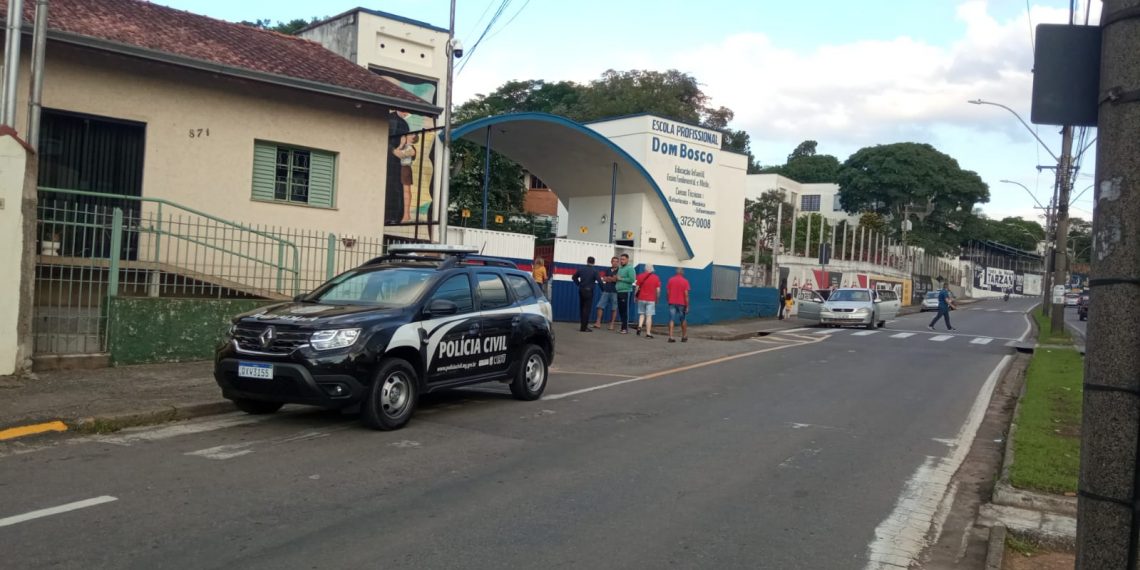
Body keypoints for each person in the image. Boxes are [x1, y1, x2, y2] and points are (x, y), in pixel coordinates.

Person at [571, 257, 602, 332]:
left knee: (582, 308)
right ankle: (584, 328)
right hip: (589, 291)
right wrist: (604, 290)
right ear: (594, 263)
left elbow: (574, 277)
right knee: (587, 310)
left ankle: (583, 326)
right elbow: (600, 281)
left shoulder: (581, 269)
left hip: (581, 290)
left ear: (587, 261)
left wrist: (579, 284)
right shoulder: (595, 271)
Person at [634, 263, 661, 339]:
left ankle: (639, 326)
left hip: (641, 298)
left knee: (642, 314)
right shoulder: (656, 278)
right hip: (651, 299)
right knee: (649, 316)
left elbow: (637, 288)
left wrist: (635, 297)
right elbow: (658, 290)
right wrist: (657, 299)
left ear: (645, 269)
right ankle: (648, 333)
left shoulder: (640, 276)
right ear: (652, 269)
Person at [594, 256, 620, 329]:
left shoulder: (620, 270)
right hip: (606, 290)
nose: (615, 263)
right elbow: (604, 279)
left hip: (615, 291)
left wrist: (610, 278)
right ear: (611, 262)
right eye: (613, 261)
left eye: (616, 261)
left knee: (614, 308)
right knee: (600, 306)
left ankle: (612, 324)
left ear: (618, 263)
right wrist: (611, 278)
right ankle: (598, 323)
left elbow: (616, 280)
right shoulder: (608, 269)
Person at [666, 267, 691, 343]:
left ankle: (671, 337)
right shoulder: (685, 281)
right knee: (683, 319)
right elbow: (686, 295)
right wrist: (687, 305)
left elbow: (668, 292)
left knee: (671, 319)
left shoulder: (670, 280)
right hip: (681, 303)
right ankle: (684, 336)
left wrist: (669, 300)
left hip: (672, 302)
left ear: (676, 272)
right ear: (682, 272)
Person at [615, 253, 636, 334]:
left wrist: (621, 279)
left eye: (623, 259)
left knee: (625, 310)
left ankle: (625, 328)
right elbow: (618, 278)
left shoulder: (630, 268)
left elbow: (632, 279)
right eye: (621, 259)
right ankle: (623, 327)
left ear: (627, 260)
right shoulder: (620, 268)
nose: (621, 261)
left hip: (626, 292)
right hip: (619, 291)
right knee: (620, 310)